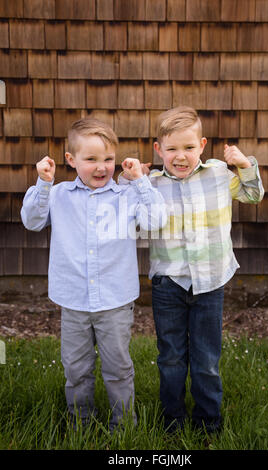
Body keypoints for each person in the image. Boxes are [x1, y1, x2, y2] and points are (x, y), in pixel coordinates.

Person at [123, 106, 264, 435]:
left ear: (202, 145)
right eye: (171, 149)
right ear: (159, 150)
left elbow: (253, 194)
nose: (181, 156)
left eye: (188, 147)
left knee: (206, 359)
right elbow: (123, 202)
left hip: (210, 282)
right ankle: (172, 421)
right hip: (168, 284)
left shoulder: (217, 174)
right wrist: (130, 176)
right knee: (171, 356)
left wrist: (244, 165)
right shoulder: (152, 183)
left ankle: (208, 423)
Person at [21, 118, 166, 432]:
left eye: (108, 160)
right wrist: (43, 182)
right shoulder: (58, 195)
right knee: (76, 368)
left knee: (118, 368)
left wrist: (140, 180)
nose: (101, 167)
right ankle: (80, 424)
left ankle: (123, 426)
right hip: (73, 300)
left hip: (114, 301)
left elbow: (155, 221)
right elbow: (32, 220)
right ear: (71, 160)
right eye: (91, 160)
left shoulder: (126, 196)